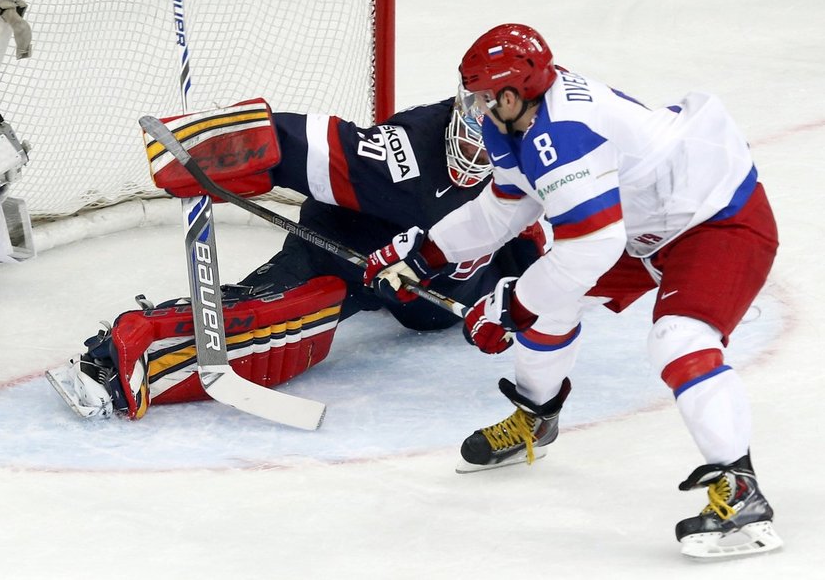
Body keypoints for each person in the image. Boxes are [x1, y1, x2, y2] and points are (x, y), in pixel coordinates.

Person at [363, 23, 781, 559]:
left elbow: (589, 250)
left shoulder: (563, 134)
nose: (474, 107)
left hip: (716, 218)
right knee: (549, 306)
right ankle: (538, 417)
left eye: (484, 96)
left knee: (679, 340)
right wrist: (424, 256)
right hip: (639, 222)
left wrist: (510, 307)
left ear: (513, 95)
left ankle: (743, 493)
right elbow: (505, 207)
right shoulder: (515, 119)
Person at [47, 98, 544, 420]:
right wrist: (206, 149)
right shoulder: (408, 153)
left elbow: (554, 239)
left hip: (440, 295)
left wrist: (526, 297)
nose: (478, 156)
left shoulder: (542, 162)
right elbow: (302, 146)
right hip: (351, 248)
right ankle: (127, 357)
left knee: (450, 306)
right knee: (282, 316)